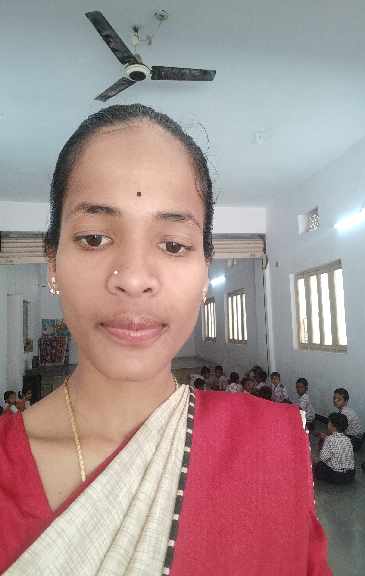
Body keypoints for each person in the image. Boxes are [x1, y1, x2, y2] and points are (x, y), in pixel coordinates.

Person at [0, 104, 330, 575]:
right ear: (52, 263)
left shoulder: (270, 447)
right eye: (94, 238)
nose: (134, 279)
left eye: (174, 245)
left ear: (204, 271)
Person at [314, 413, 355, 484]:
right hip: (350, 474)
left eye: (329, 423)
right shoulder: (348, 439)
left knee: (319, 465)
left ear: (332, 426)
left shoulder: (330, 439)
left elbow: (322, 458)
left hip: (337, 476)